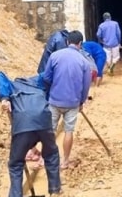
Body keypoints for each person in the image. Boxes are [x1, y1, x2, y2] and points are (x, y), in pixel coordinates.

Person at [0, 73, 62, 197]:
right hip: (44, 121)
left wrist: (4, 98)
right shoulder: (38, 83)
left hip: (23, 125)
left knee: (16, 164)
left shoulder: (12, 85)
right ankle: (55, 190)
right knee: (51, 154)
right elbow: (49, 74)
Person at [41, 30, 93, 169]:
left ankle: (47, 160)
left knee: (50, 131)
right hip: (73, 102)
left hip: (54, 100)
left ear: (67, 42)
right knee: (68, 131)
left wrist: (54, 87)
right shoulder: (84, 62)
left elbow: (46, 77)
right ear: (80, 44)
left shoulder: (55, 56)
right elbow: (86, 85)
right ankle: (65, 161)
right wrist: (81, 102)